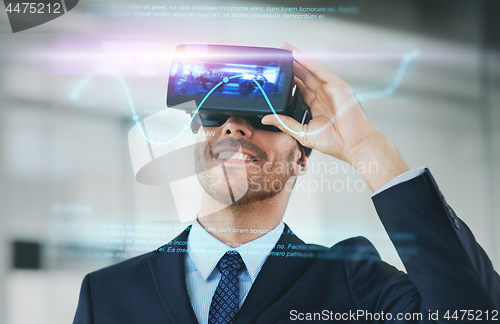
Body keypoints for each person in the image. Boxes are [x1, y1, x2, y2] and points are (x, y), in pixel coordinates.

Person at [73, 43, 500, 324]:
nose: (235, 129)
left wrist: (365, 145)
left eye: (265, 118)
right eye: (215, 115)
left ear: (301, 157)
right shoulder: (106, 294)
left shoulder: (352, 281)